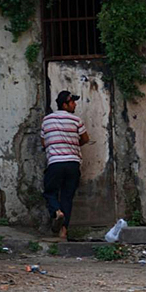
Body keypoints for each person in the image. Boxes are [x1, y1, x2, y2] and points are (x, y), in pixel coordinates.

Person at [41, 91, 89, 240]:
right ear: (65, 105)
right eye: (72, 102)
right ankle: (63, 231)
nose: (74, 105)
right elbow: (85, 139)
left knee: (50, 192)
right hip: (73, 164)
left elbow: (44, 143)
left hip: (55, 163)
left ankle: (56, 212)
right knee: (67, 197)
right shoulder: (76, 120)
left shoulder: (46, 121)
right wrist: (73, 143)